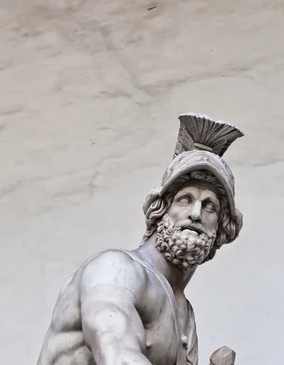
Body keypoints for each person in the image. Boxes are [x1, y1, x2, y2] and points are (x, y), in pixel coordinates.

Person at [37, 113, 244, 365]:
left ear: (221, 230)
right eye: (185, 199)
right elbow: (117, 355)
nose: (196, 213)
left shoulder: (184, 315)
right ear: (160, 211)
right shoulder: (116, 270)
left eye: (209, 206)